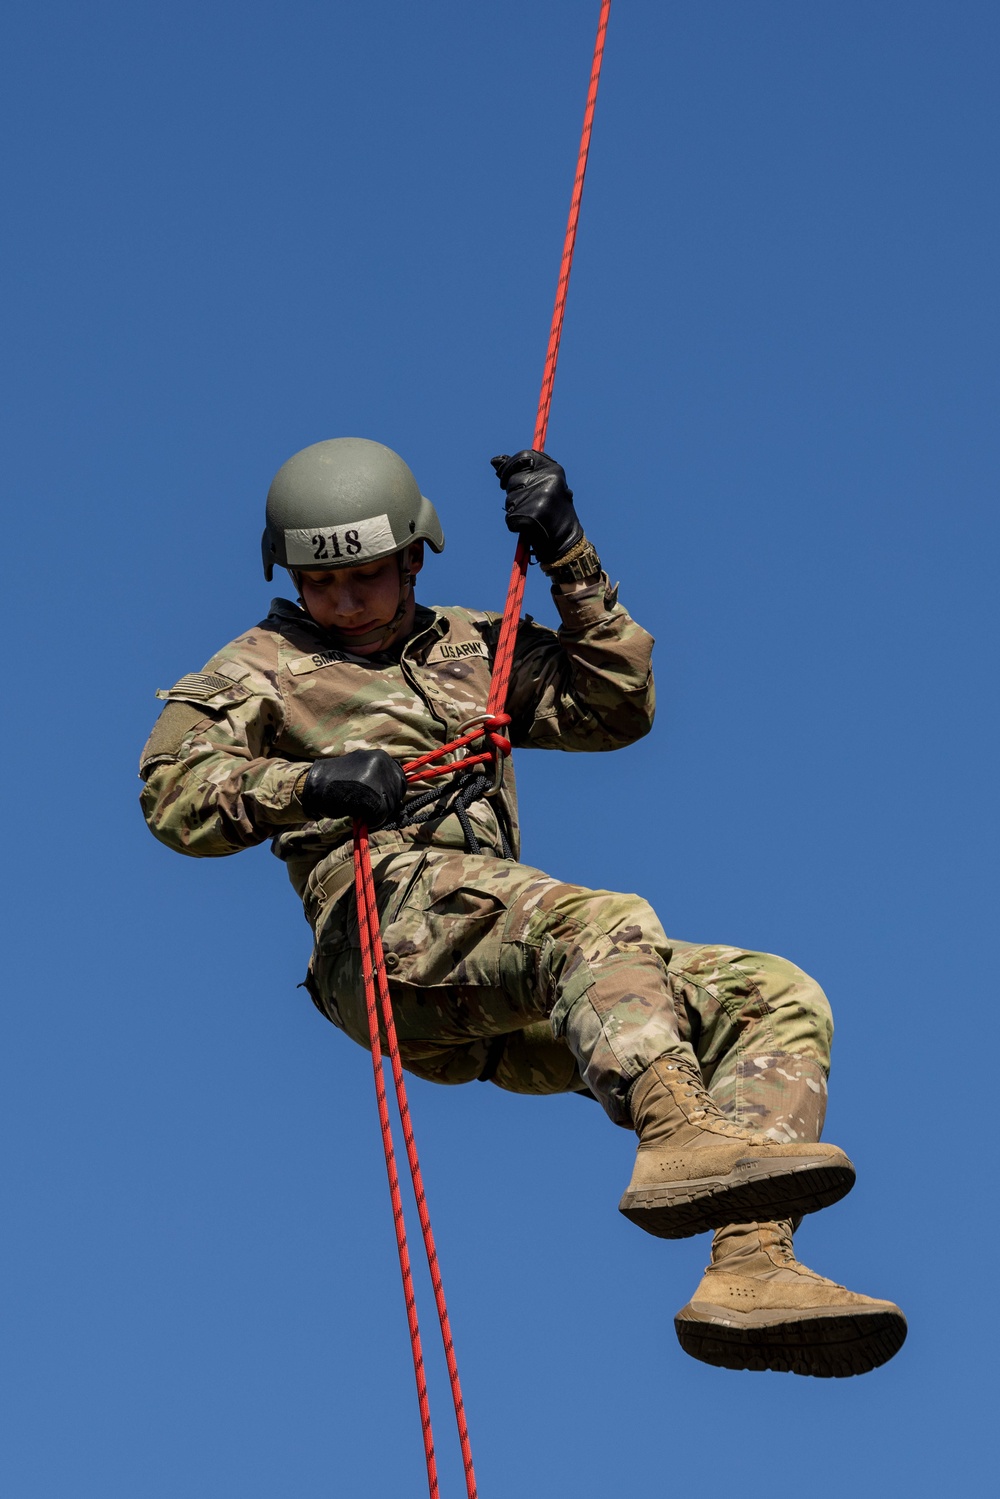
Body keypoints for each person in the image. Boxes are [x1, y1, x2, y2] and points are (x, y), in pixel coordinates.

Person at [139, 437, 906, 1377]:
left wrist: (570, 556)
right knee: (592, 918)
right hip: (382, 936)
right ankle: (676, 1132)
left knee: (773, 994)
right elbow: (173, 794)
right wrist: (312, 785)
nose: (342, 600)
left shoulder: (474, 645)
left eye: (366, 577)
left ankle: (750, 1265)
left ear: (414, 556)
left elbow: (613, 706)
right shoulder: (260, 667)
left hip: (504, 975)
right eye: (320, 581)